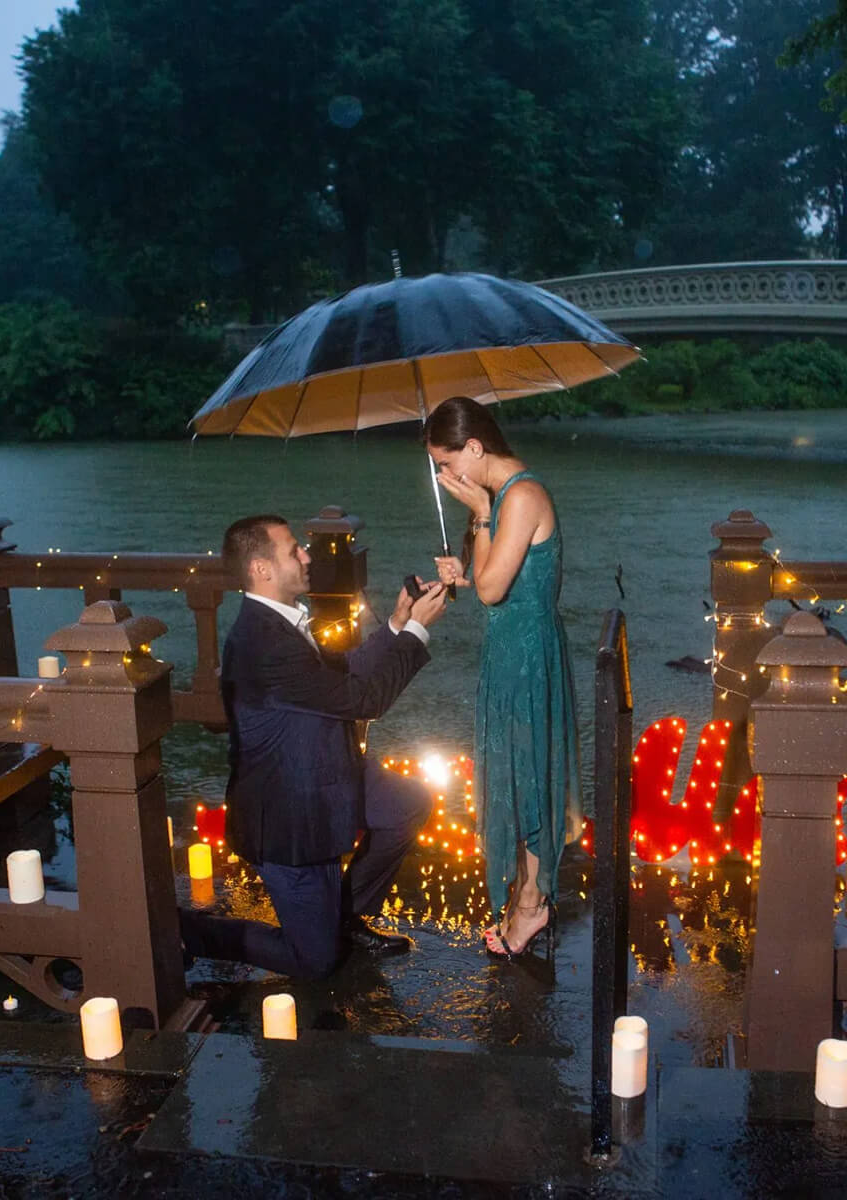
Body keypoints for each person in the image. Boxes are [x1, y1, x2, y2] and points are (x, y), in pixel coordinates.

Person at [179, 513, 448, 980]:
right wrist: (419, 632)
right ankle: (191, 933)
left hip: (325, 774)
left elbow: (343, 670)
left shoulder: (278, 622)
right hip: (289, 816)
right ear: (261, 569)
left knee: (407, 805)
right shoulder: (264, 641)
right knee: (316, 961)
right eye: (293, 551)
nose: (307, 556)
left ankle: (345, 915)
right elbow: (364, 700)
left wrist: (397, 624)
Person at [428, 396, 580, 960]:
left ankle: (534, 906)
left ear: (474, 447)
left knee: (532, 777)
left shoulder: (522, 496)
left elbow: (495, 590)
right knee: (515, 773)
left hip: (528, 655)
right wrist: (462, 574)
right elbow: (490, 583)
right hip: (509, 649)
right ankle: (526, 892)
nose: (446, 477)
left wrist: (484, 515)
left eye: (447, 463)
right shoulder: (503, 496)